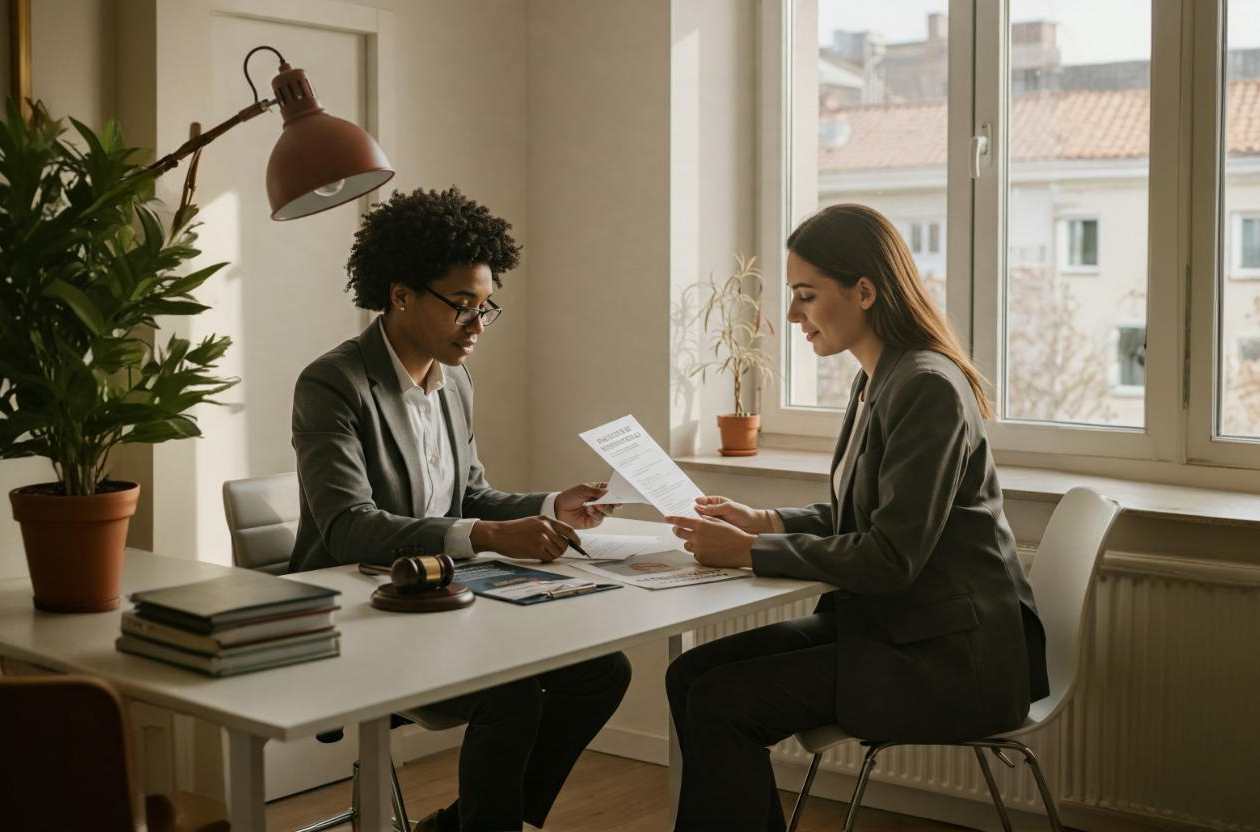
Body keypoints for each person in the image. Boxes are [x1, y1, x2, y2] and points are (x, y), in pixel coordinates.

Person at [663, 204, 1048, 832]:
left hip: (951, 659)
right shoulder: (878, 379)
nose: (792, 316)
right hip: (900, 631)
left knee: (720, 702)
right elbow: (858, 516)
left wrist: (744, 552)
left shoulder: (925, 386)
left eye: (806, 296)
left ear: (864, 290)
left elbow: (890, 557)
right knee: (692, 673)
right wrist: (760, 520)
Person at [288, 186, 631, 832]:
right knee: (512, 691)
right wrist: (490, 533)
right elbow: (346, 528)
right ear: (401, 295)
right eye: (463, 306)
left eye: (486, 307)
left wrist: (555, 504)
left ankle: (467, 827)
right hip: (357, 617)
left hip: (444, 604)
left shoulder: (455, 381)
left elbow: (470, 493)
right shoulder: (333, 384)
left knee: (603, 671)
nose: (478, 325)